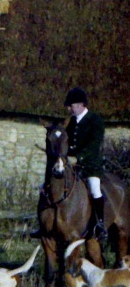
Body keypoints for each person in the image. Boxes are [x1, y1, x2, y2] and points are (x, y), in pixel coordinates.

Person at [64, 87, 108, 242]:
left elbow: (94, 145)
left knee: (95, 189)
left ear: (81, 104)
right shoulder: (72, 122)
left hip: (91, 165)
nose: (69, 109)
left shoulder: (95, 120)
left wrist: (79, 158)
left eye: (71, 105)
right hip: (73, 165)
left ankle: (100, 225)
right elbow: (68, 142)